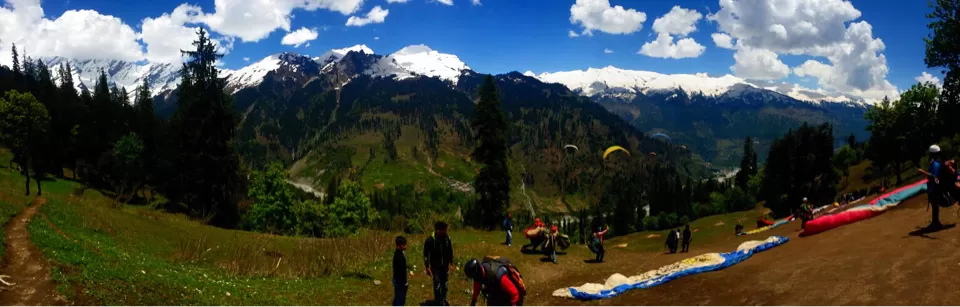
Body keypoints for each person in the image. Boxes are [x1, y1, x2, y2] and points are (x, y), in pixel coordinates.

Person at [424, 221, 454, 306]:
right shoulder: (429, 240)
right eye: (444, 229)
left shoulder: (447, 239)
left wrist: (451, 263)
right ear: (438, 230)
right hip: (435, 267)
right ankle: (438, 301)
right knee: (437, 284)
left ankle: (443, 299)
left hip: (445, 266)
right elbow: (426, 254)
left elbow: (450, 250)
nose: (446, 231)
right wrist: (427, 267)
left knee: (445, 284)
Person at [919, 145, 946, 230]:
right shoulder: (940, 162)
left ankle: (936, 223)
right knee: (935, 206)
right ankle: (935, 222)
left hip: (934, 187)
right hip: (938, 186)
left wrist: (923, 172)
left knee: (934, 206)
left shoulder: (934, 164)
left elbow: (933, 176)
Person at [393, 236, 409, 306]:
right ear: (399, 246)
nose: (406, 246)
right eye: (404, 245)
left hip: (397, 279)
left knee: (398, 297)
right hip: (400, 281)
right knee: (400, 298)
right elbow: (400, 272)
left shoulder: (399, 253)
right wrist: (404, 283)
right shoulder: (399, 257)